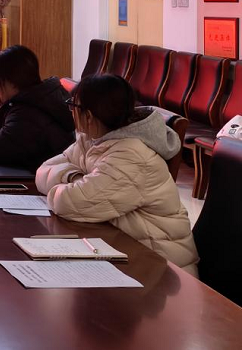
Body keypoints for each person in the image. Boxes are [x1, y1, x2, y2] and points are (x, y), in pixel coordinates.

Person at [36, 75, 199, 274]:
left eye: (73, 106)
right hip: (127, 251)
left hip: (162, 267)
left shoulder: (132, 156)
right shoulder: (92, 139)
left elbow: (68, 202)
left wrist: (75, 184)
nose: (71, 112)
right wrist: (74, 178)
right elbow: (43, 171)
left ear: (88, 116)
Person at [0, 45, 74, 170]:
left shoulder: (25, 112)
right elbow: (9, 136)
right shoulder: (46, 96)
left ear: (1, 83)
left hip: (40, 178)